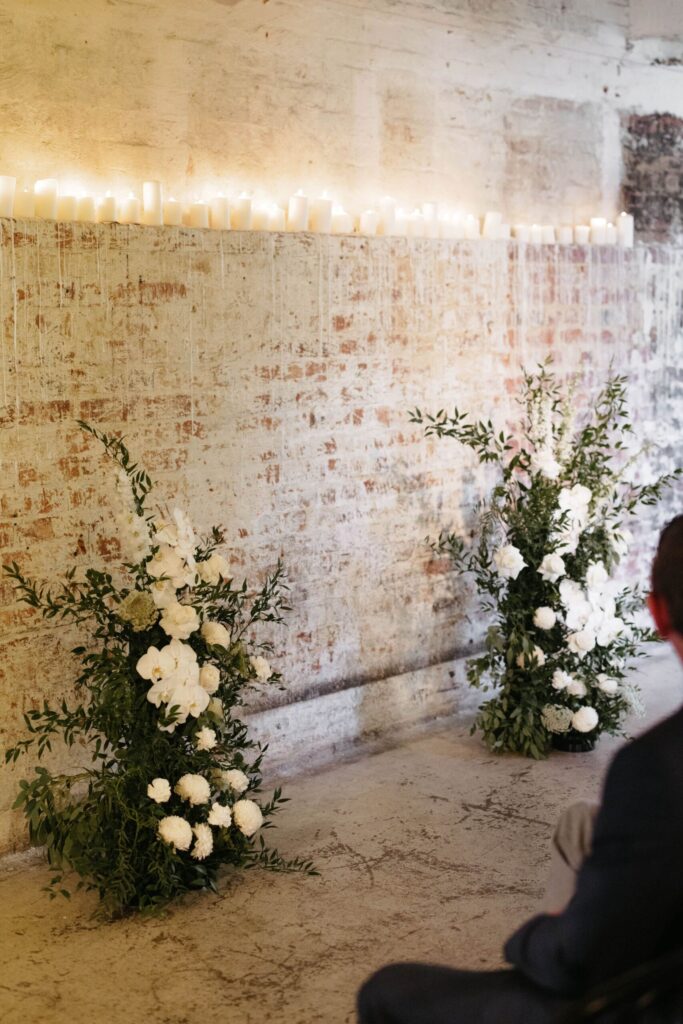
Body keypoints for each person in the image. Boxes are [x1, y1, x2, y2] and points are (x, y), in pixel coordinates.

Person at [357, 515, 683, 1024]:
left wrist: (536, 938)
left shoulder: (656, 768)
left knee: (385, 991)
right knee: (579, 821)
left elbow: (579, 958)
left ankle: (544, 988)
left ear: (657, 613)